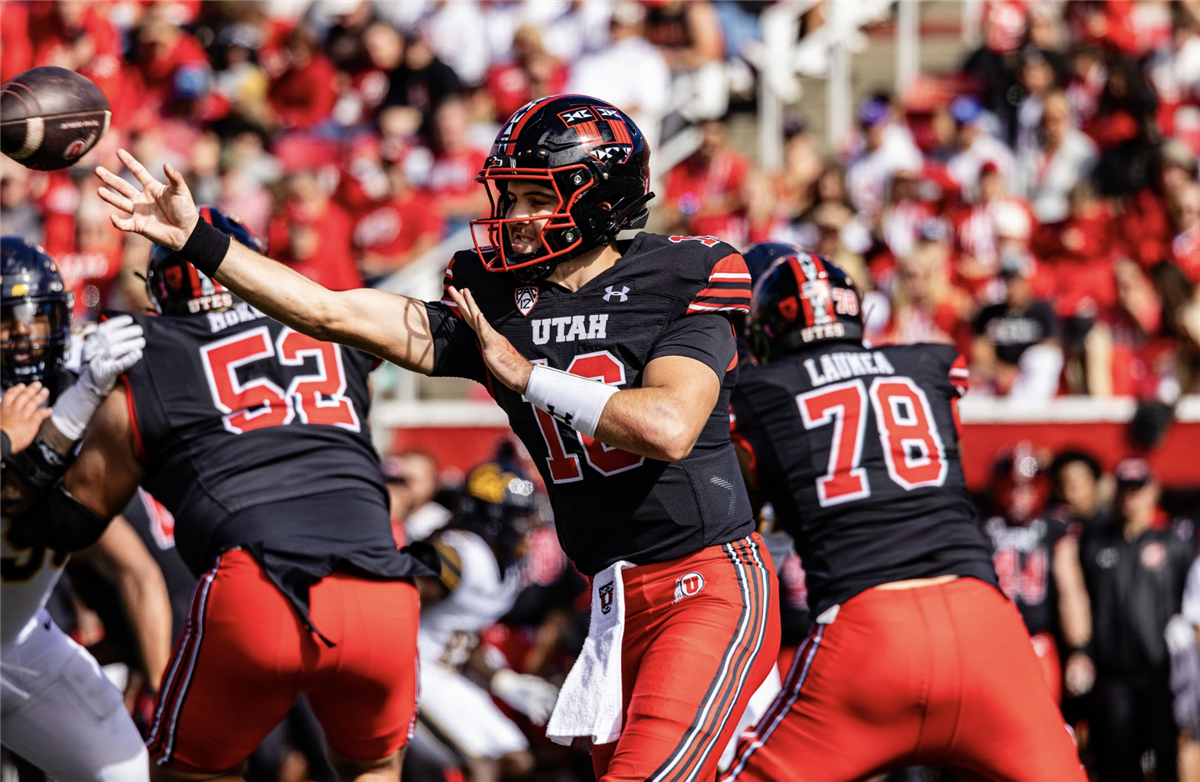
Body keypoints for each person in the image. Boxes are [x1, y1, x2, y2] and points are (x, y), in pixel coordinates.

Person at [96, 93, 780, 782]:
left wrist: (530, 377)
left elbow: (668, 427)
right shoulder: (497, 301)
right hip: (614, 599)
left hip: (707, 582)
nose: (510, 218)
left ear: (596, 197)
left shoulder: (684, 273)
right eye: (507, 196)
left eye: (531, 198)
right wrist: (200, 244)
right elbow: (330, 311)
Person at [10, 209, 433, 782]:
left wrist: (66, 418)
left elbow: (67, 524)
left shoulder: (144, 352)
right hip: (383, 587)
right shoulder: (331, 323)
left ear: (161, 288)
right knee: (373, 766)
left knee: (183, 773)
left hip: (256, 590)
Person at [720, 250, 1085, 781]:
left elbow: (744, 508)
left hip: (867, 631)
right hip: (984, 625)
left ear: (766, 332)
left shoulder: (756, 394)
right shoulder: (929, 363)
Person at [0, 237, 153, 781]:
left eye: (34, 322)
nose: (22, 339)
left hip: (18, 639)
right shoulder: (74, 390)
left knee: (125, 771)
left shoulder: (73, 373)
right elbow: (12, 492)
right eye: (6, 324)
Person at [415, 458, 558, 782]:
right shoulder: (456, 555)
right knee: (480, 766)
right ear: (493, 519)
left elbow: (465, 634)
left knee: (518, 760)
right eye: (519, 519)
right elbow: (395, 602)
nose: (528, 530)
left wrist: (501, 681)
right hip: (413, 672)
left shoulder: (506, 568)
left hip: (447, 673)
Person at [1077, 457, 1194, 782]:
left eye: (1138, 489)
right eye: (1125, 489)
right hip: (1112, 677)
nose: (1131, 497)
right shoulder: (1094, 543)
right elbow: (1081, 603)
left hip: (1162, 676)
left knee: (1167, 759)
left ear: (1152, 492)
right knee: (1117, 764)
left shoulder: (1175, 545)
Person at [983, 443, 1091, 703]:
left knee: (1044, 719)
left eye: (1027, 487)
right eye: (1012, 487)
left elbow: (1070, 590)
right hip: (988, 643)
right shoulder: (981, 527)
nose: (1019, 496)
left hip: (1037, 641)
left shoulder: (1055, 528)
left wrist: (1079, 650)